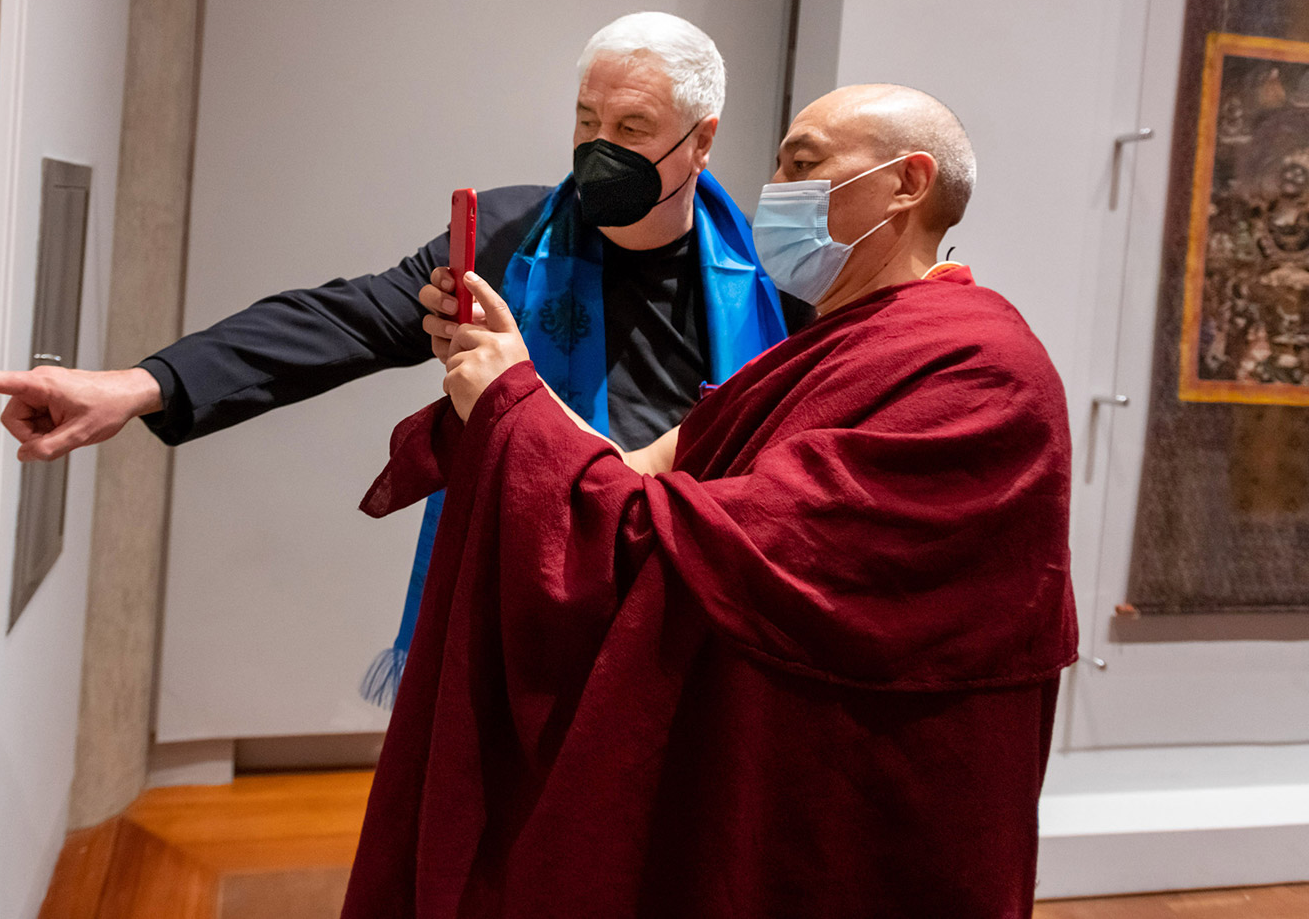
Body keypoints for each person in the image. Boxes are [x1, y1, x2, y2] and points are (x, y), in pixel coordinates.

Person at [345, 84, 1077, 918]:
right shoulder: (830, 347)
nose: (776, 191)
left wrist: (510, 405)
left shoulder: (981, 368)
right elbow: (637, 471)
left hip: (862, 796)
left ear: (908, 183)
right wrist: (503, 374)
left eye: (804, 166)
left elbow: (739, 546)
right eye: (776, 166)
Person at [0, 12, 799, 697]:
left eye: (632, 125)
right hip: (525, 595)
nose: (597, 146)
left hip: (678, 603)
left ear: (702, 138)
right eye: (585, 119)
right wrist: (140, 384)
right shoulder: (505, 236)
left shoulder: (771, 280)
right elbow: (346, 319)